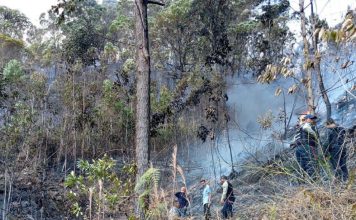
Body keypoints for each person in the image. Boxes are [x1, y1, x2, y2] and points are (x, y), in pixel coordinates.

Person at [290, 114, 320, 179]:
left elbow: (294, 140)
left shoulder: (299, 129)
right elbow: (306, 128)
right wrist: (315, 136)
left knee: (302, 166)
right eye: (311, 119)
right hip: (307, 147)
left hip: (298, 148)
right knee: (311, 164)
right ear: (306, 120)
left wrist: (293, 144)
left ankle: (304, 183)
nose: (312, 120)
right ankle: (313, 182)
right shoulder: (307, 125)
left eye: (313, 119)